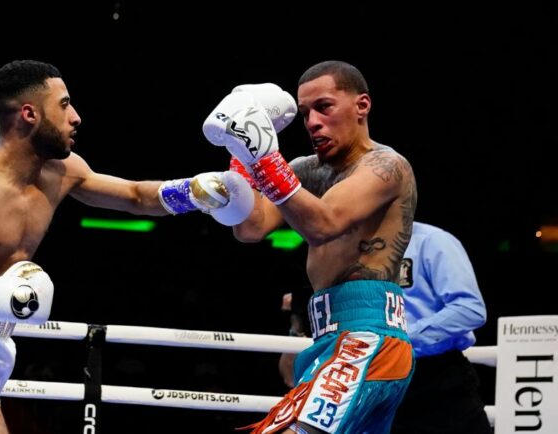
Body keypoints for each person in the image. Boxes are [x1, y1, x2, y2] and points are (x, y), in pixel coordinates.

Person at [0, 59, 256, 434]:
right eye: (64, 104)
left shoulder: (62, 171)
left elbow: (133, 195)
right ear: (29, 114)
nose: (76, 117)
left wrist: (195, 191)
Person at [203, 60, 417, 433]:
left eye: (324, 107)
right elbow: (251, 228)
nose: (312, 122)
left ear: (361, 105)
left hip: (367, 338)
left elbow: (324, 224)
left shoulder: (386, 166)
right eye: (304, 114)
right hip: (327, 339)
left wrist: (265, 156)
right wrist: (241, 153)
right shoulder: (308, 170)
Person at [391, 221, 490, 434]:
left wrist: (403, 338)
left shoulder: (431, 241)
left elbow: (470, 308)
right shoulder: (358, 248)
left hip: (437, 378)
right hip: (383, 380)